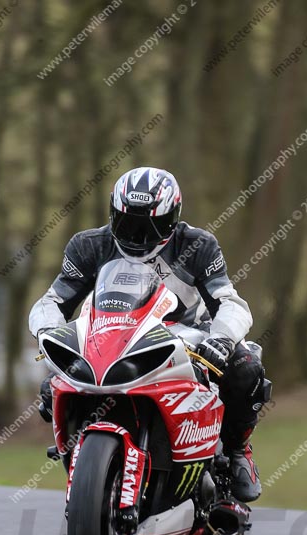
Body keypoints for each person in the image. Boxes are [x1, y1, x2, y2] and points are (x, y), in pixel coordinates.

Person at [29, 167, 270, 502]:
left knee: (245, 368)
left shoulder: (198, 245)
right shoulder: (88, 246)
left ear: (172, 219)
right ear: (113, 213)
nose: (138, 236)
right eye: (129, 223)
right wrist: (48, 332)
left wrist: (223, 339)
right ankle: (88, 467)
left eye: (151, 226)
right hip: (113, 337)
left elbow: (231, 303)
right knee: (51, 388)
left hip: (189, 335)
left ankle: (238, 451)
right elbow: (51, 302)